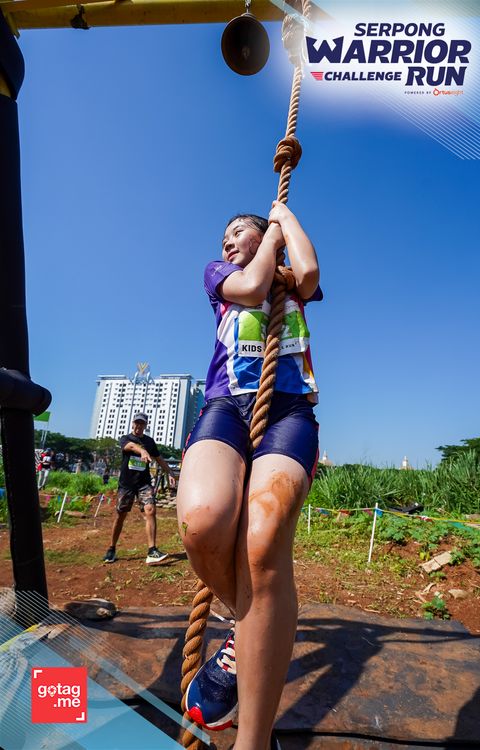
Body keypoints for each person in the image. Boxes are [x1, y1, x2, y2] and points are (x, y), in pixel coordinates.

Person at [177, 201, 321, 750]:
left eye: (240, 232)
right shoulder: (221, 276)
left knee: (262, 542)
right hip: (225, 408)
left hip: (288, 413)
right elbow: (252, 286)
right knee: (201, 520)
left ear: (266, 236)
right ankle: (251, 624)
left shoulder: (289, 279)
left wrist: (284, 218)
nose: (227, 242)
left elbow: (309, 272)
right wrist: (266, 245)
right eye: (225, 236)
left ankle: (254, 741)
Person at [103, 413, 171, 565]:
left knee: (150, 510)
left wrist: (171, 473)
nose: (139, 426)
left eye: (142, 424)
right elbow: (131, 446)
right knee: (120, 515)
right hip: (126, 484)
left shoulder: (150, 442)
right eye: (137, 423)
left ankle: (152, 550)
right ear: (132, 424)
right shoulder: (125, 438)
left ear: (145, 426)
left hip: (144, 483)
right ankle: (111, 548)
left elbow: (159, 459)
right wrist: (143, 451)